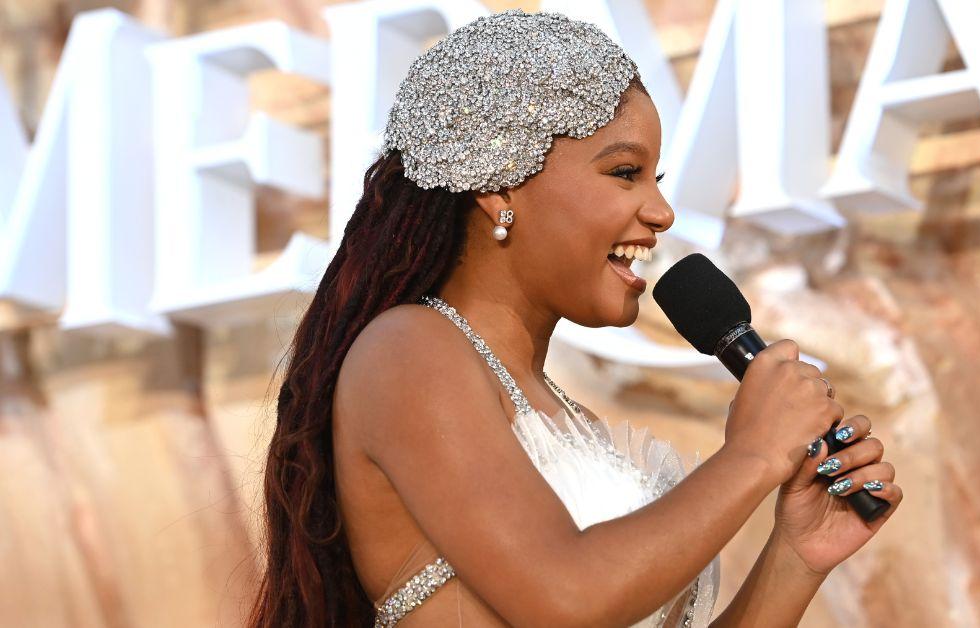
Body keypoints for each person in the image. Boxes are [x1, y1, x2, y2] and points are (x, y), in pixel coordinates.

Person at [246, 9, 902, 627]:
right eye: (625, 173)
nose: (660, 212)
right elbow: (565, 597)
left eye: (657, 178)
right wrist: (755, 453)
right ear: (500, 187)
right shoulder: (408, 352)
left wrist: (796, 554)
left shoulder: (565, 418)